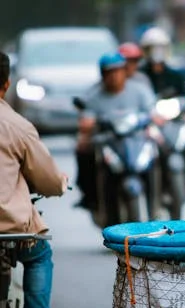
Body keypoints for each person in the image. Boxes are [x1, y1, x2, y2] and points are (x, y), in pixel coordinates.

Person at [0, 51, 68, 308]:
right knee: (40, 255)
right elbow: (49, 181)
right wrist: (61, 183)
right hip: (9, 229)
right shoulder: (16, 125)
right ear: (6, 84)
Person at [74, 52, 156, 210]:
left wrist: (155, 117)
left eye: (117, 71)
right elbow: (86, 118)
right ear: (103, 75)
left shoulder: (139, 89)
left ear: (124, 71)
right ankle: (90, 197)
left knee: (159, 147)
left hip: (135, 139)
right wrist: (89, 123)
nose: (114, 76)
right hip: (107, 141)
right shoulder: (94, 95)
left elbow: (152, 111)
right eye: (109, 72)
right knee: (82, 149)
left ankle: (160, 196)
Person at [138, 27, 185, 98]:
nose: (157, 52)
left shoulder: (176, 76)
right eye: (152, 49)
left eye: (160, 48)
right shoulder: (140, 75)